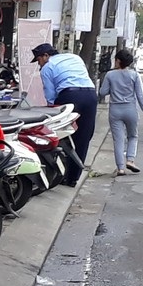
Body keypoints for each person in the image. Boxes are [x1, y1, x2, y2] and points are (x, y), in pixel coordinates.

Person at [31, 41, 98, 184]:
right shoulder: (75, 57)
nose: (39, 64)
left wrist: (52, 112)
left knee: (63, 135)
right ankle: (73, 178)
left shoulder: (47, 67)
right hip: (91, 95)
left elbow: (50, 96)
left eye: (39, 60)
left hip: (70, 96)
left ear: (46, 55)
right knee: (84, 137)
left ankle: (61, 174)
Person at [102, 48, 143, 174]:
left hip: (115, 110)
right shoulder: (134, 75)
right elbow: (140, 96)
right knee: (133, 136)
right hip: (130, 109)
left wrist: (113, 89)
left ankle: (120, 168)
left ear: (118, 61)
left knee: (118, 140)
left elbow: (103, 92)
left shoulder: (110, 75)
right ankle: (130, 160)